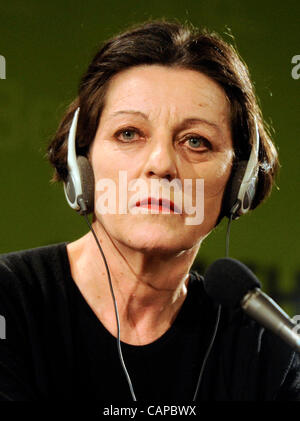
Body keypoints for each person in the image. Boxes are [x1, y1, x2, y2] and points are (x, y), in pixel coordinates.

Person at [0, 19, 299, 402]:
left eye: (196, 141)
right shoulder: (8, 303)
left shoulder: (266, 349)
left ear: (239, 181)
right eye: (129, 134)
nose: (161, 164)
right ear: (81, 162)